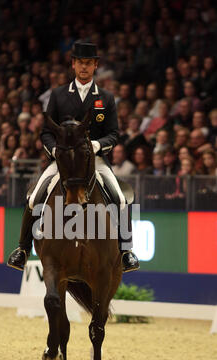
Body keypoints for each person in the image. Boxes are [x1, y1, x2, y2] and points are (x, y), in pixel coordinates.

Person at [7, 42, 139, 273]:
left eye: (88, 63)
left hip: (94, 160)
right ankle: (22, 249)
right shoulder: (58, 95)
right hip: (63, 160)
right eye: (80, 63)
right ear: (73, 64)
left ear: (95, 65)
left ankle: (127, 251)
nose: (84, 67)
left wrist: (97, 145)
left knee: (119, 197)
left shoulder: (106, 98)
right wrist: (56, 151)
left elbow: (114, 134)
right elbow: (47, 132)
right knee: (34, 195)